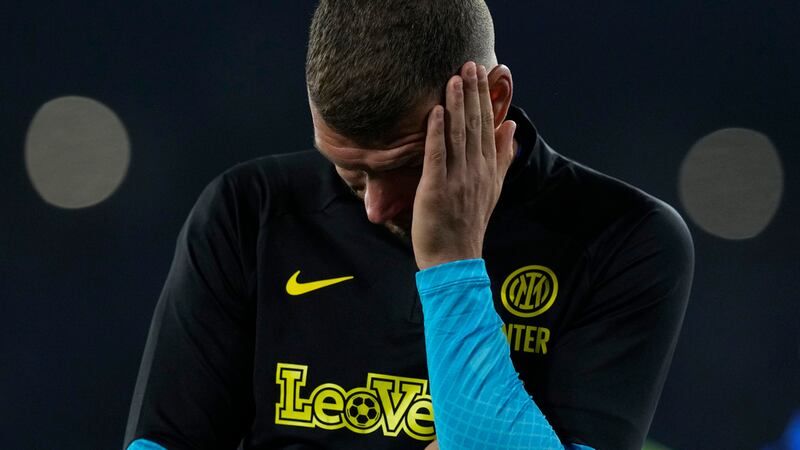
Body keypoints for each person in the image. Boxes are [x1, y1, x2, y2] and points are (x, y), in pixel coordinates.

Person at [124, 1, 694, 449]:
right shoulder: (248, 212)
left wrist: (453, 264)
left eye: (403, 166)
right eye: (348, 172)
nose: (374, 207)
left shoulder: (626, 239)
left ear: (492, 102)